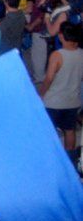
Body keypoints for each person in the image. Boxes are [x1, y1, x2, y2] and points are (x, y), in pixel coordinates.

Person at [40, 22, 83, 154]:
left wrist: (40, 94)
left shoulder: (57, 55)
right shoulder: (81, 54)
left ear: (61, 36)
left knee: (48, 132)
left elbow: (49, 79)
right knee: (69, 130)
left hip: (53, 102)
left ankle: (50, 157)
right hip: (73, 101)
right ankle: (70, 157)